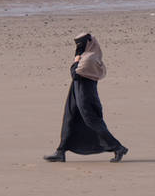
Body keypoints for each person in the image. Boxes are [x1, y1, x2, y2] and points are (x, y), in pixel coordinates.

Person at [44, 33, 128, 163]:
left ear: (89, 43)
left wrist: (76, 60)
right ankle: (61, 151)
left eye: (80, 44)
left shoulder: (89, 58)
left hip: (85, 93)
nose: (78, 47)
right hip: (76, 90)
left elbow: (75, 74)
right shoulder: (88, 56)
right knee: (69, 119)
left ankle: (118, 147)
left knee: (92, 121)